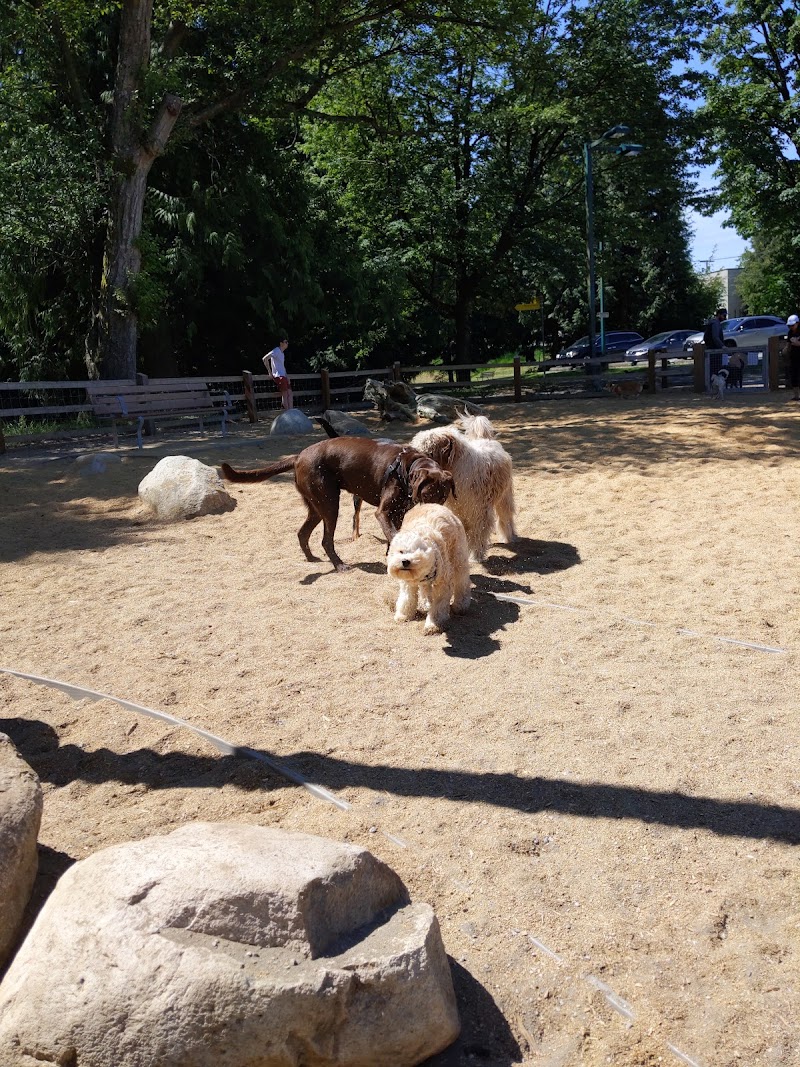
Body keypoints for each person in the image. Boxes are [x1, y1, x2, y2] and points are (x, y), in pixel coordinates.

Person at [263, 337, 293, 411]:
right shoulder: (276, 351)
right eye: (286, 342)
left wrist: (287, 376)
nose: (287, 344)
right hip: (279, 376)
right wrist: (269, 372)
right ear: (281, 343)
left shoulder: (282, 353)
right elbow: (265, 358)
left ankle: (291, 411)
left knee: (290, 393)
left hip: (283, 376)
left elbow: (282, 366)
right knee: (285, 394)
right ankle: (288, 412)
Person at [784, 314, 800, 401]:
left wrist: (798, 344)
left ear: (797, 323)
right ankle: (796, 396)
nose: (791, 327)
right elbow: (788, 343)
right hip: (794, 357)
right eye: (789, 326)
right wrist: (786, 349)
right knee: (794, 376)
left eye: (792, 325)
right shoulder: (790, 333)